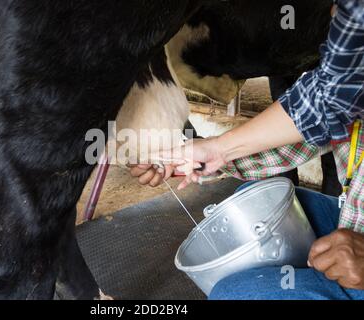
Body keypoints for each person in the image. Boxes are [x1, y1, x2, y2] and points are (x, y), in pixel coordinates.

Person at [130, 0, 364, 299]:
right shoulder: (351, 83)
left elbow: (327, 97)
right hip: (354, 215)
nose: (334, 18)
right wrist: (201, 156)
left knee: (233, 292)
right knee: (252, 202)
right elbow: (307, 130)